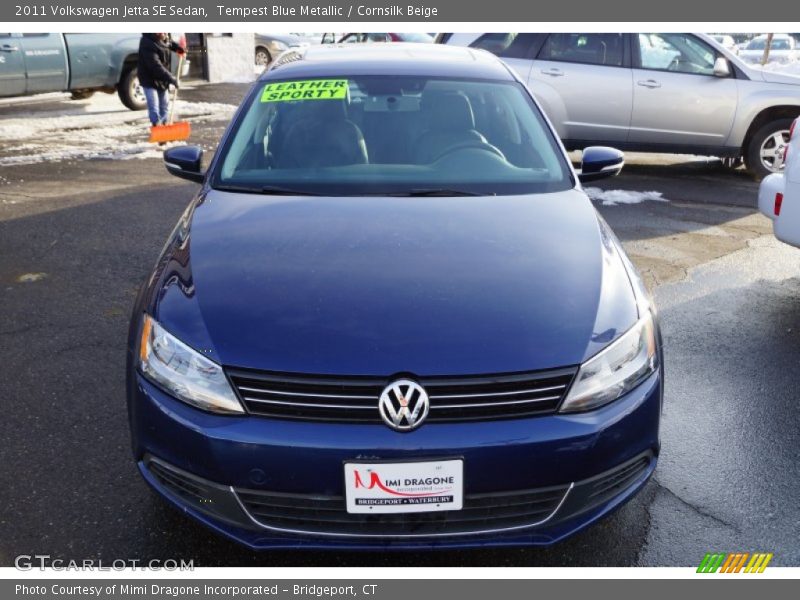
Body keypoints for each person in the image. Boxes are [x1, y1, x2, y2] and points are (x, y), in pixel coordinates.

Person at [138, 33, 185, 127]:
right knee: (154, 106)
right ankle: (156, 127)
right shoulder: (147, 42)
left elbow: (169, 44)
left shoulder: (164, 37)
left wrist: (179, 48)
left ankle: (164, 128)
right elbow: (155, 66)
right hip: (149, 79)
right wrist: (171, 79)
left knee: (164, 106)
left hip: (162, 79)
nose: (164, 33)